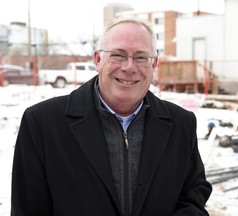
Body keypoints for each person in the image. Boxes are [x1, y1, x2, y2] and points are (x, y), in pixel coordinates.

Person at [11, 16, 212, 216]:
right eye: (118, 55)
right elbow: (27, 208)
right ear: (98, 60)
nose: (129, 67)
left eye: (141, 57)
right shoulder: (43, 124)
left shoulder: (181, 124)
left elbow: (194, 192)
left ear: (154, 64)